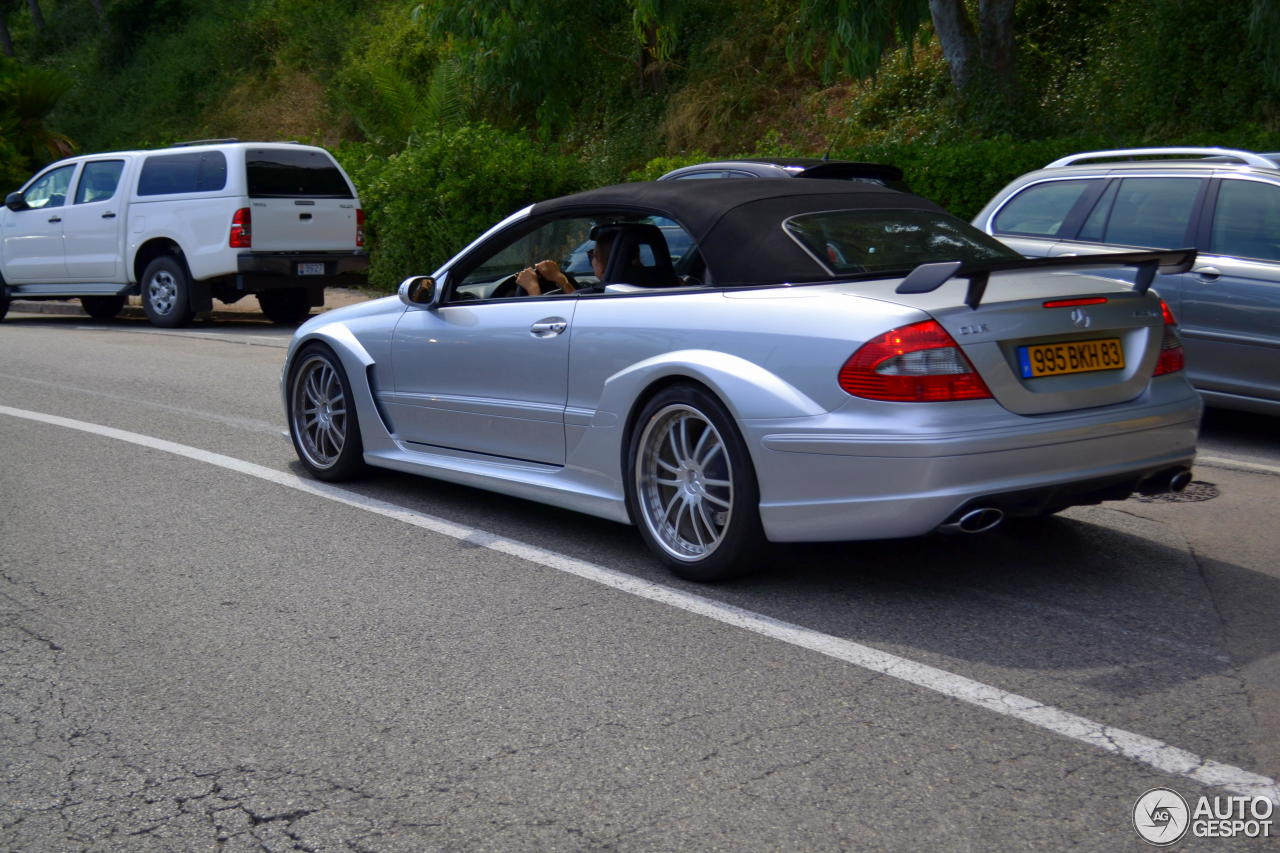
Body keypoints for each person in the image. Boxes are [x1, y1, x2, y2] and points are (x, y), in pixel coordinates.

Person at [514, 227, 615, 296]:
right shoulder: (620, 291)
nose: (591, 259)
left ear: (604, 265)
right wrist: (561, 280)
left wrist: (533, 288)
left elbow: (545, 320)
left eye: (593, 254)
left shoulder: (596, 297)